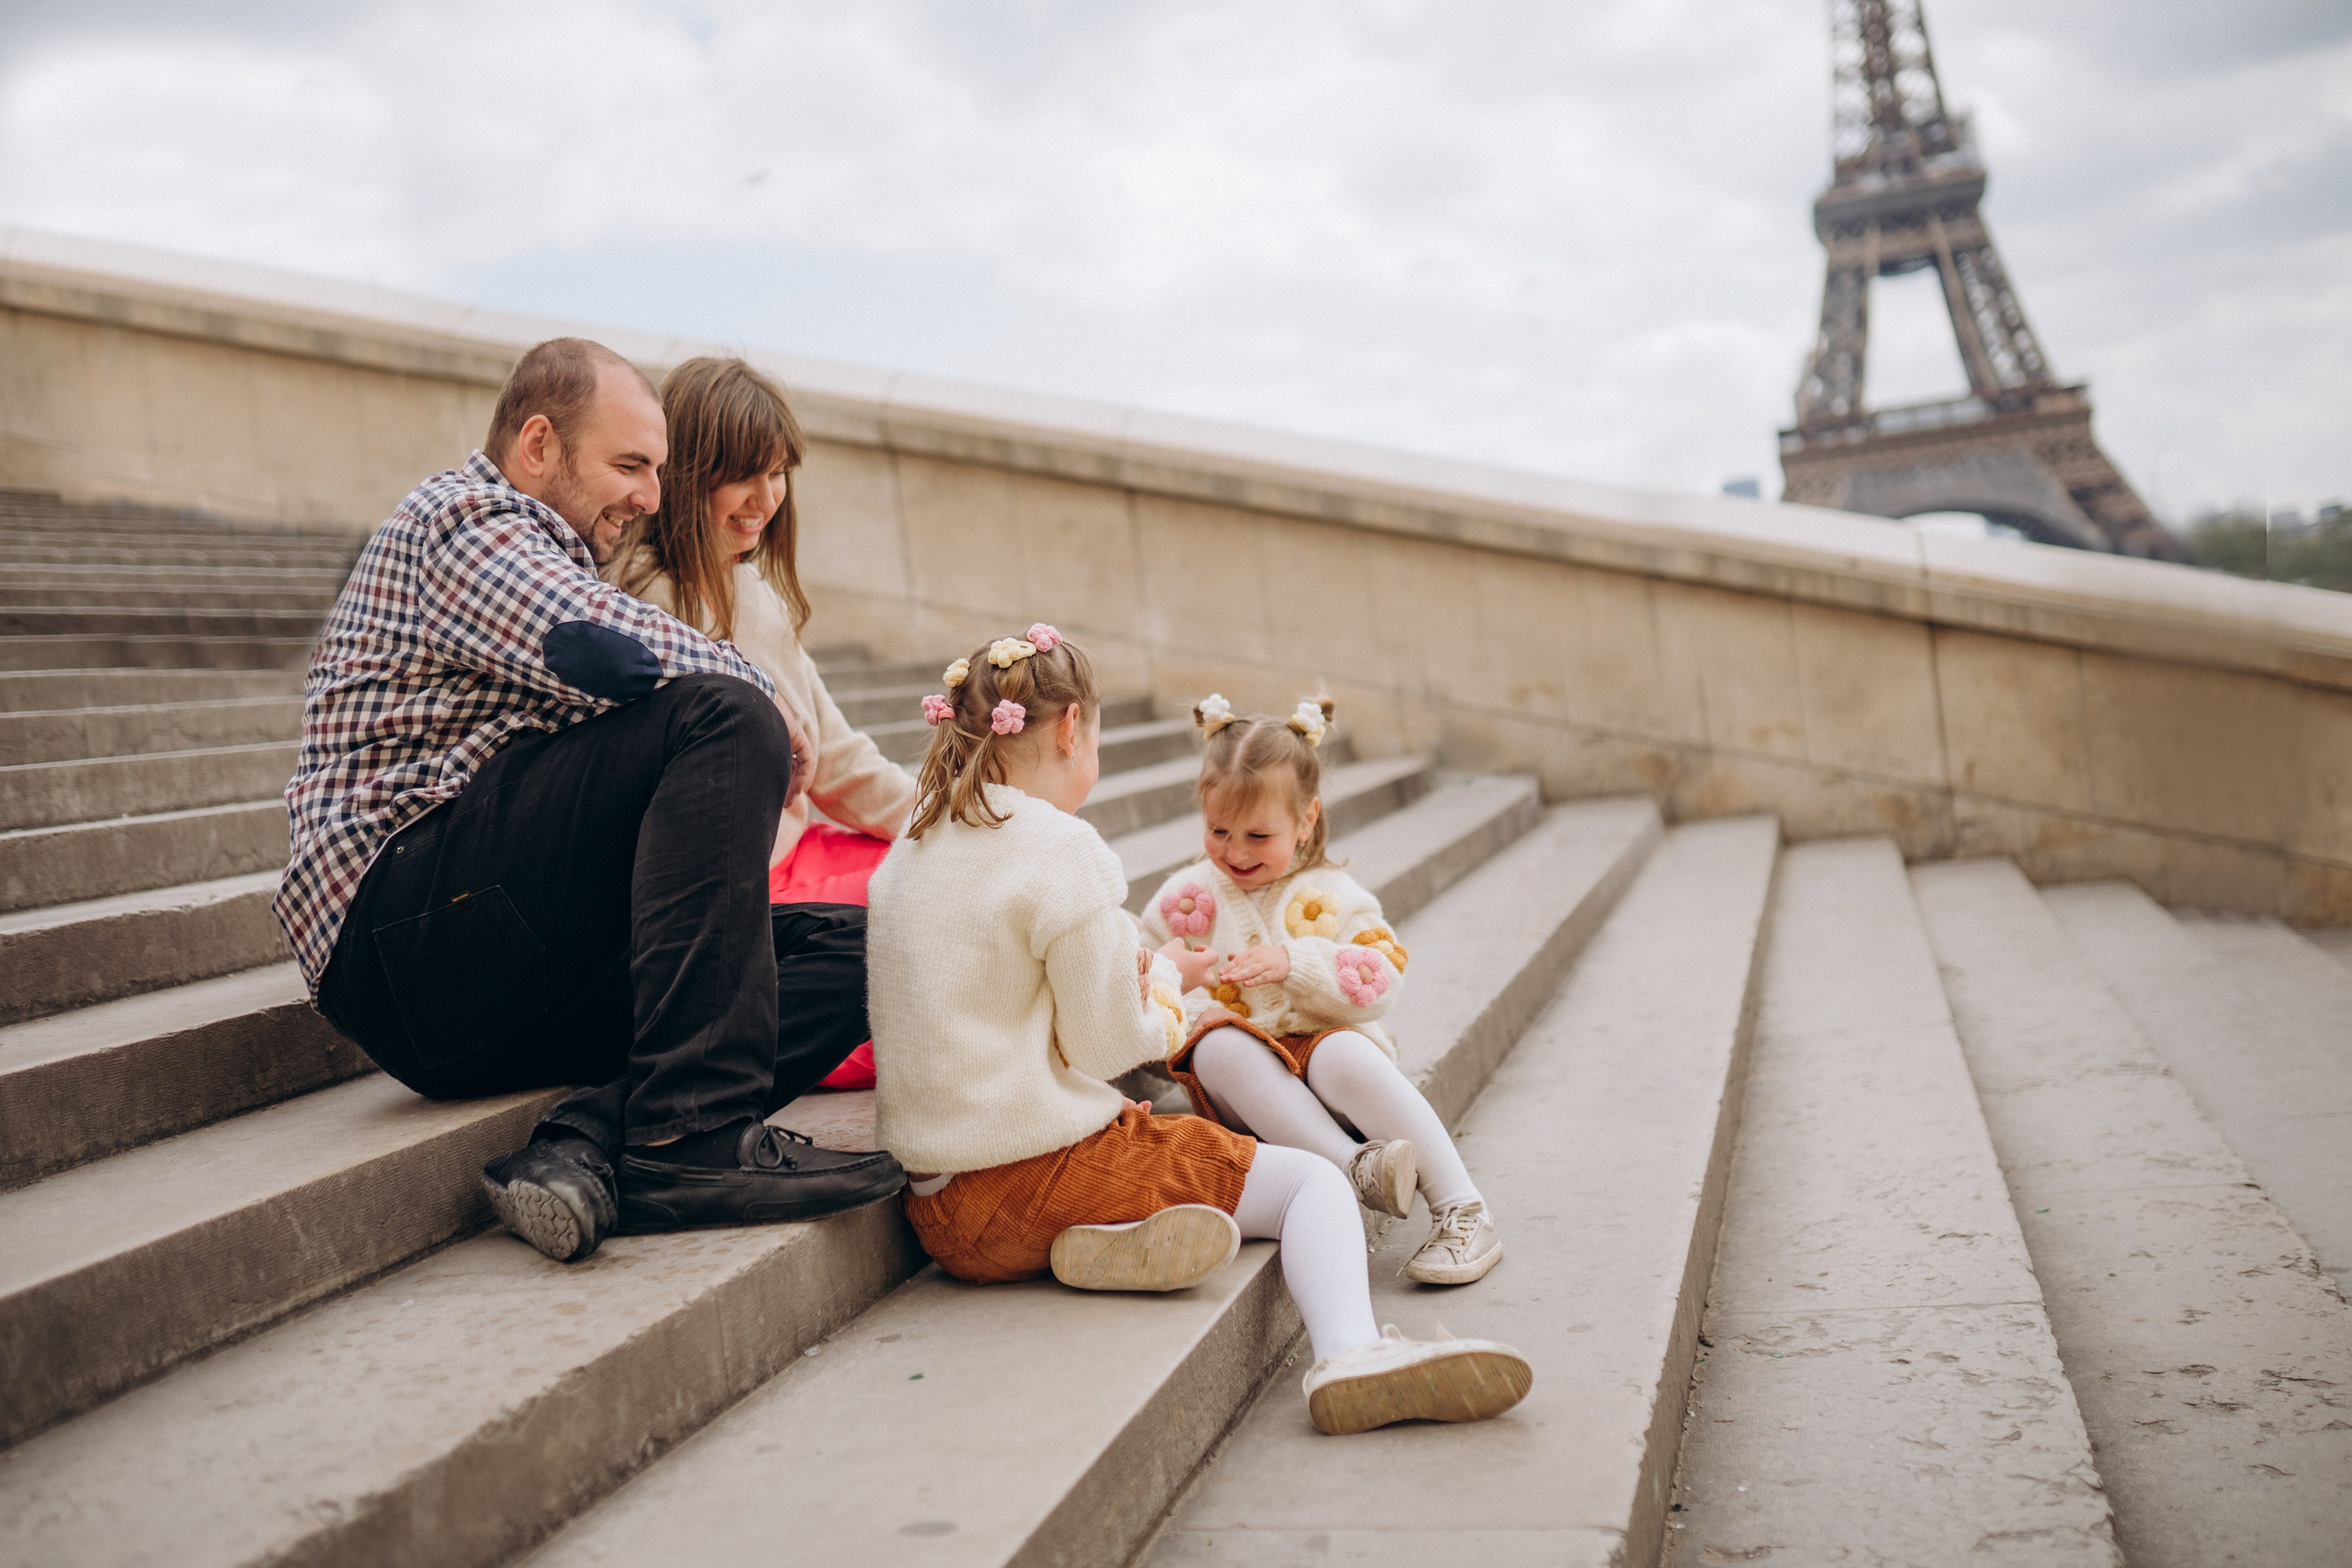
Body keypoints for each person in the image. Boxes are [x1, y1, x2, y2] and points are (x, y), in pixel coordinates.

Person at [280, 336, 903, 1268]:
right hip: (400, 933)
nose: (652, 496)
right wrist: (758, 700)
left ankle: (597, 1137)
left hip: (502, 973)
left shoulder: (560, 555)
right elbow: (597, 645)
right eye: (630, 466)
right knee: (723, 713)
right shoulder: (466, 520)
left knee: (868, 948)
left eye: (656, 471)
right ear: (539, 445)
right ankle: (694, 1137)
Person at [865, 627, 1532, 1435]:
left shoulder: (915, 841)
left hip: (941, 1216)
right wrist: (1173, 999)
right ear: (1072, 728)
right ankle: (1352, 1355)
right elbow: (1113, 1047)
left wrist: (1147, 975)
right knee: (1315, 1185)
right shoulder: (1060, 850)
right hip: (1029, 1176)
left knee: (1149, 1152)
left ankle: (1102, 1243)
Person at [604, 355, 919, 1089]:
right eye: (742, 474)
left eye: (778, 473)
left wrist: (952, 821)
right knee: (935, 919)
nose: (765, 498)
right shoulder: (646, 605)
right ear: (685, 475)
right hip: (744, 888)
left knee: (960, 882)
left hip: (796, 855)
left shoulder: (751, 591)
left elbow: (838, 759)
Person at [1141, 695, 1503, 1286]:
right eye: (1218, 831)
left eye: (1258, 835)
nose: (1234, 852)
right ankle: (1353, 1166)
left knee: (1344, 1052)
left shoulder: (1335, 893)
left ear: (1306, 820)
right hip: (1252, 1097)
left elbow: (1380, 975)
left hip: (1329, 1076)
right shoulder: (1184, 900)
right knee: (1217, 1046)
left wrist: (1296, 963)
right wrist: (1191, 1002)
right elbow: (1150, 980)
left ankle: (1463, 1209)